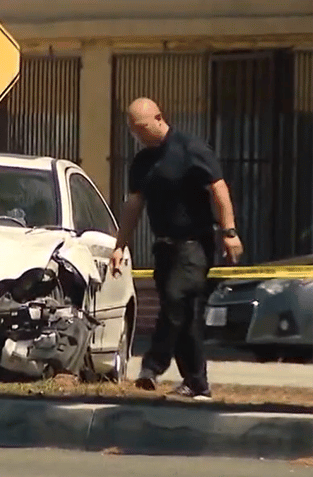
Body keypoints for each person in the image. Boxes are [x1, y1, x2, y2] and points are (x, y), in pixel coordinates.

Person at [110, 97, 243, 400]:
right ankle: (197, 383)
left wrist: (230, 232)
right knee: (185, 315)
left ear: (159, 118)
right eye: (133, 131)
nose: (139, 136)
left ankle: (152, 366)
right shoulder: (143, 162)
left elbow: (219, 189)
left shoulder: (190, 149)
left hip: (194, 245)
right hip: (165, 248)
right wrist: (121, 245)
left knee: (175, 298)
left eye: (142, 128)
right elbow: (134, 204)